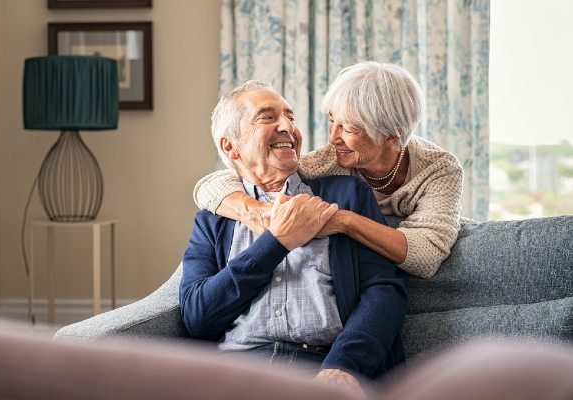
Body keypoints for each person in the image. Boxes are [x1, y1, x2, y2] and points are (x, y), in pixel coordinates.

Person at [180, 81, 407, 397]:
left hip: (321, 366)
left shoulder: (346, 195)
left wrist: (344, 367)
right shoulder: (213, 218)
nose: (288, 127)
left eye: (290, 117)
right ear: (231, 146)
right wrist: (276, 242)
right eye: (267, 117)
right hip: (238, 372)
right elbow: (197, 317)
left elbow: (384, 291)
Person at [193, 61, 463, 278]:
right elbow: (214, 184)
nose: (333, 138)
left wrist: (343, 221)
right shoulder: (329, 160)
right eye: (332, 121)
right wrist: (254, 210)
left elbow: (426, 257)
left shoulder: (439, 169)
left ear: (391, 135)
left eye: (348, 128)